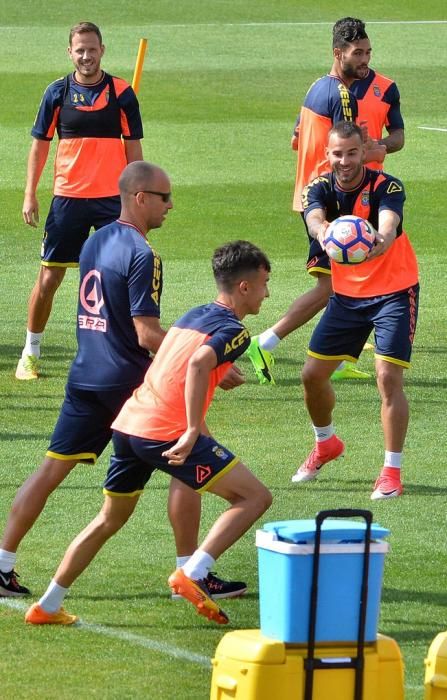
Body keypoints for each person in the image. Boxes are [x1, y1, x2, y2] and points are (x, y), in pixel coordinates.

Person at [1, 162, 246, 601]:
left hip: (85, 376)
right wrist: (210, 359)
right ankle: (189, 574)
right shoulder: (143, 254)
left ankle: (2, 565)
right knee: (190, 454)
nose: (170, 205)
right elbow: (146, 333)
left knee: (50, 470)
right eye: (164, 197)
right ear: (139, 197)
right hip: (129, 382)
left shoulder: (94, 241)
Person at [24, 240, 273, 626]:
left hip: (130, 424)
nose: (267, 293)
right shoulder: (234, 330)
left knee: (109, 518)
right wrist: (191, 430)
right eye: (264, 283)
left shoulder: (193, 315)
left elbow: (174, 366)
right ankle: (191, 573)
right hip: (165, 431)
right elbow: (197, 364)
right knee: (254, 497)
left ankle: (48, 605)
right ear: (244, 287)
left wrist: (202, 412)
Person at [247, 17, 404, 384]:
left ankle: (343, 355)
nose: (365, 59)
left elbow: (295, 139)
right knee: (331, 284)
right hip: (330, 198)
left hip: (313, 192)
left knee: (356, 275)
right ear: (338, 52)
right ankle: (266, 341)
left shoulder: (316, 87)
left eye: (368, 52)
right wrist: (371, 151)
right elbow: (349, 147)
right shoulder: (343, 96)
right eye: (358, 53)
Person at [290, 121, 418, 499]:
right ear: (327, 154)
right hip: (347, 298)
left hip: (394, 292)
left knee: (386, 378)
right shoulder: (319, 187)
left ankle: (391, 472)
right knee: (312, 376)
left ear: (364, 152)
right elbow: (313, 217)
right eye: (337, 153)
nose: (344, 161)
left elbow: (389, 224)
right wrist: (324, 231)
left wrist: (381, 238)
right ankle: (326, 443)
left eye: (351, 152)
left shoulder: (387, 186)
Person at [16, 21, 143, 381]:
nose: (86, 56)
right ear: (70, 53)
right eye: (80, 50)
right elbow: (39, 147)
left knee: (117, 279)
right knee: (49, 277)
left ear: (103, 50)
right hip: (68, 200)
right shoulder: (56, 93)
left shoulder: (122, 92)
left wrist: (137, 197)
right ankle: (30, 352)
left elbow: (134, 149)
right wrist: (30, 193)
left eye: (92, 49)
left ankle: (115, 354)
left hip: (111, 202)